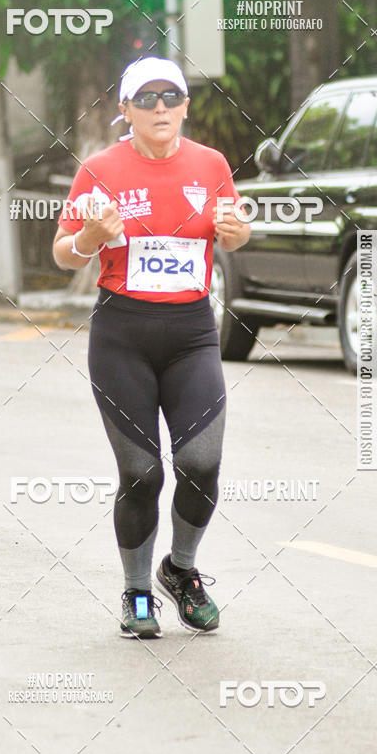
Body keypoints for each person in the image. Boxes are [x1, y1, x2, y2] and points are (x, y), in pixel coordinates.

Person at [53, 57, 250, 639]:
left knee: (201, 463)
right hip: (122, 336)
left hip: (192, 332)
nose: (160, 107)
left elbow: (232, 229)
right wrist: (90, 237)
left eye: (171, 96)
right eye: (146, 98)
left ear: (187, 106)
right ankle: (137, 592)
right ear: (125, 110)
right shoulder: (100, 168)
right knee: (141, 473)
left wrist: (239, 234)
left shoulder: (211, 164)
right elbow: (64, 252)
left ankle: (180, 571)